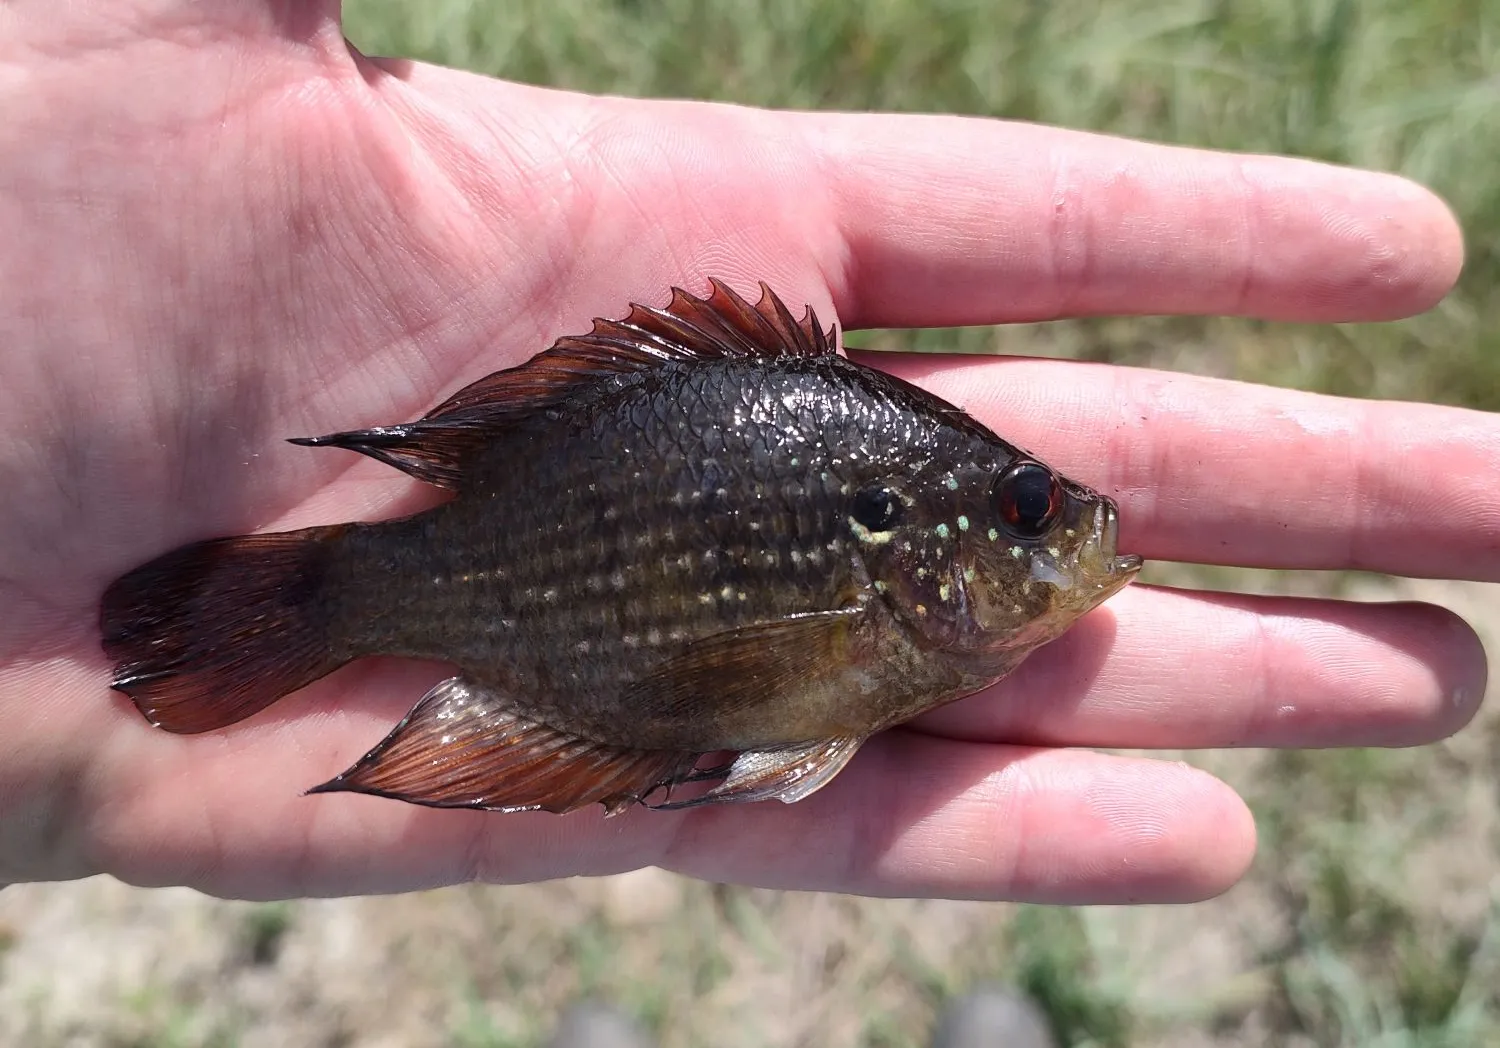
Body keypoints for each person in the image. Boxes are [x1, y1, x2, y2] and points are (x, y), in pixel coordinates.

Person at [0, 0, 1491, 903]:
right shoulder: (892, 599)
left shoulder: (905, 608)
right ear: (910, 550)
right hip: (513, 582)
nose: (1073, 532)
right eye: (1029, 509)